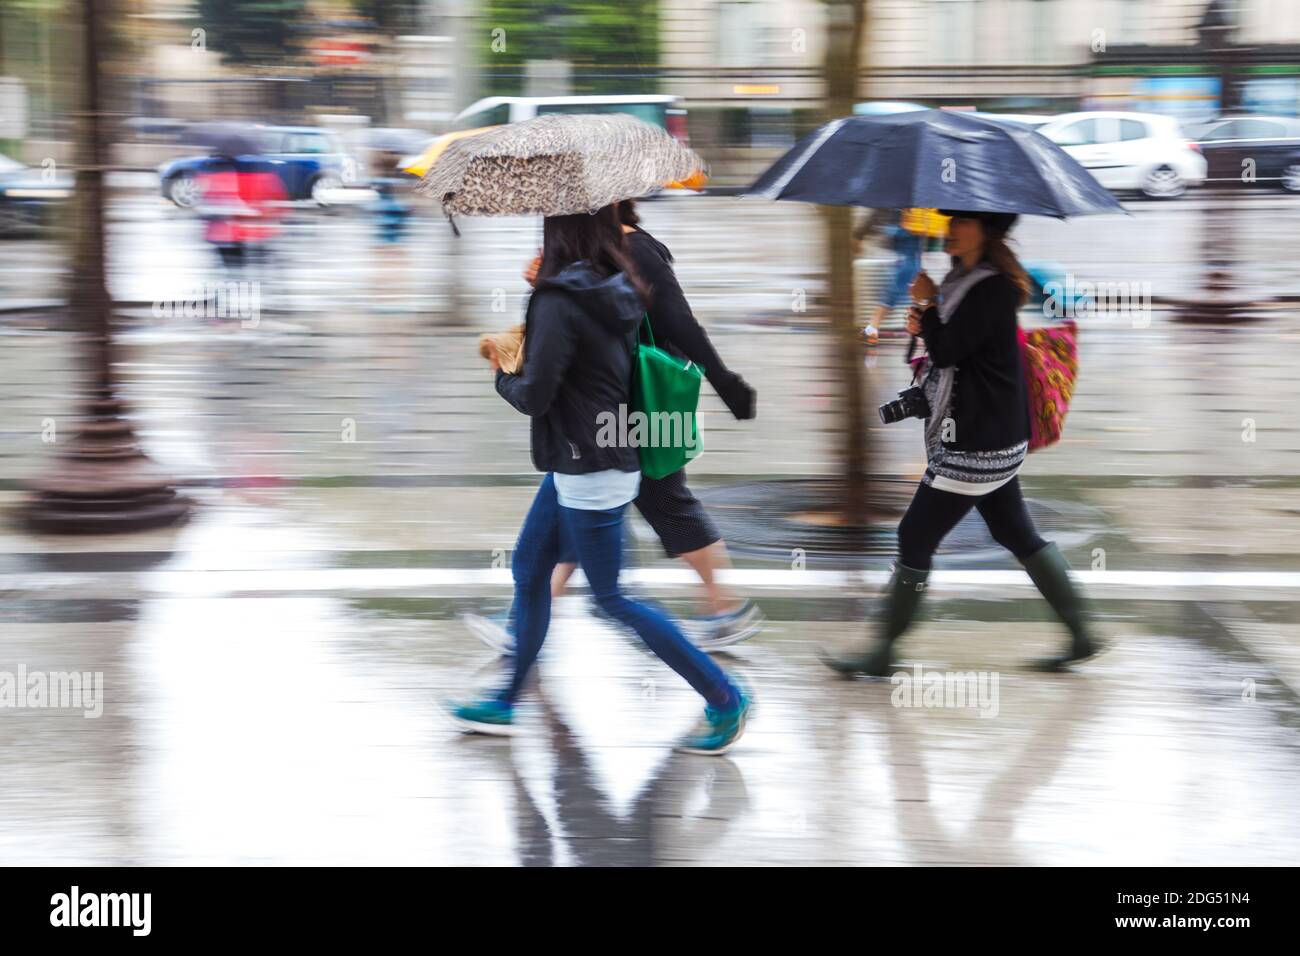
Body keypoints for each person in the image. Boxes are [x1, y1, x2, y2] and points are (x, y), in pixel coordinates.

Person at [446, 204, 752, 755]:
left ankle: (724, 696)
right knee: (530, 570)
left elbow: (537, 394)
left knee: (613, 597)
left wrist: (501, 371)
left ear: (559, 232)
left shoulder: (560, 298)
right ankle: (506, 700)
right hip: (598, 452)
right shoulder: (615, 283)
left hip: (586, 462)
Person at [822, 210, 1101, 676]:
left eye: (961, 221)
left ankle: (883, 650)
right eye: (949, 221)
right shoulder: (966, 277)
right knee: (1016, 533)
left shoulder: (989, 288)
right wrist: (925, 319)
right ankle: (1083, 633)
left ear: (985, 230)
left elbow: (950, 350)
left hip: (975, 442)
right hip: (993, 434)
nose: (950, 228)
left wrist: (929, 308)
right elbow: (952, 347)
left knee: (914, 535)